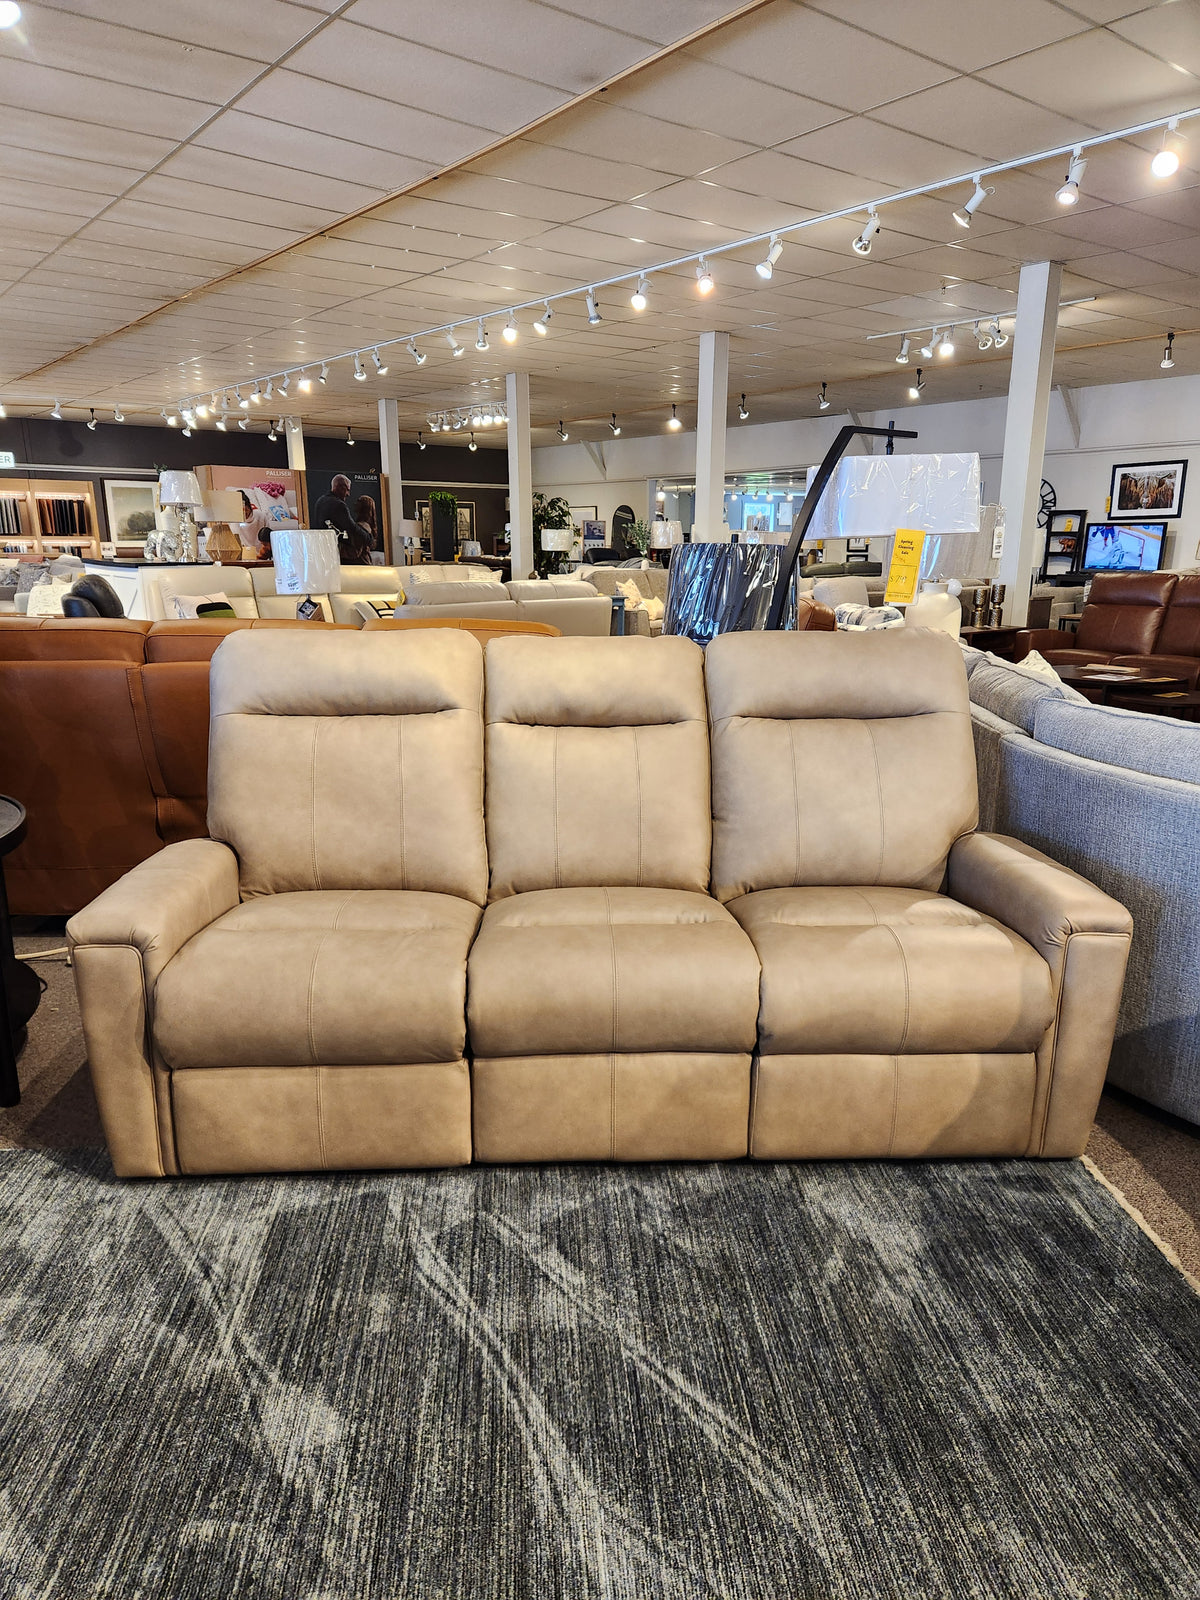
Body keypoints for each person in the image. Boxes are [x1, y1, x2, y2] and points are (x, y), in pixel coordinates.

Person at [311, 475, 371, 564]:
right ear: (340, 487)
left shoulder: (320, 501)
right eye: (347, 490)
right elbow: (351, 528)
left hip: (322, 552)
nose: (348, 494)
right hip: (338, 554)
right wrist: (368, 538)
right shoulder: (339, 505)